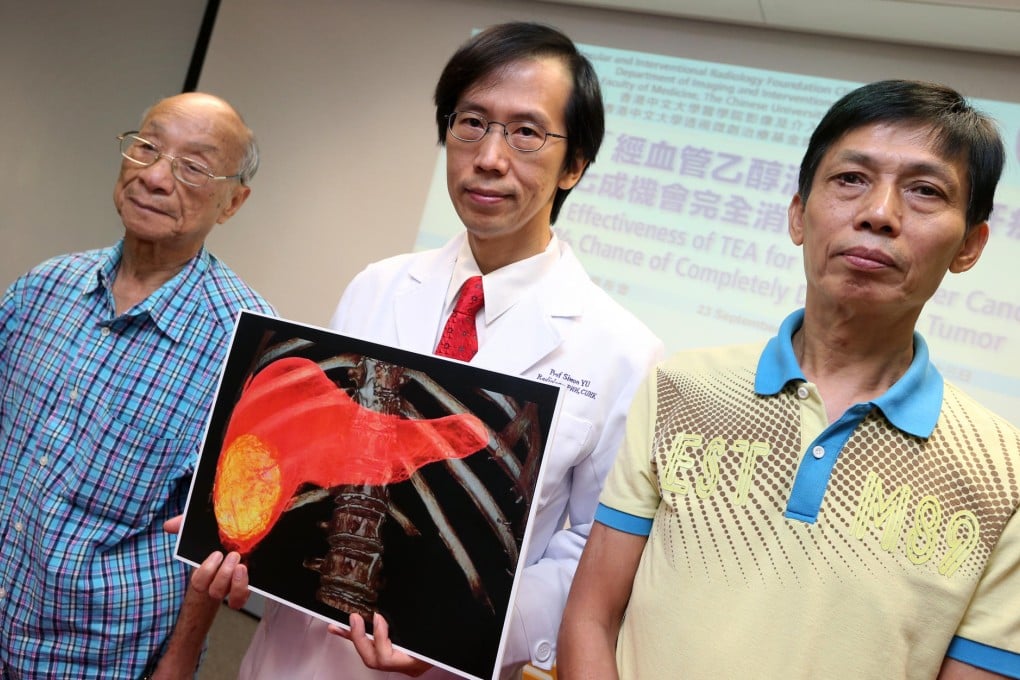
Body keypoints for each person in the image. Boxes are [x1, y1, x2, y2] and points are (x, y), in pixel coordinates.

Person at [188, 21, 662, 680]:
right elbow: (312, 449)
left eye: (526, 133)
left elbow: (590, 547)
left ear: (575, 164)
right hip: (294, 658)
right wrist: (239, 544)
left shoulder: (623, 352)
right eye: (471, 123)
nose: (489, 157)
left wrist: (461, 633)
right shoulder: (377, 286)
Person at [556, 79, 1020, 680]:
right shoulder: (680, 389)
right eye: (851, 179)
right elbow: (591, 618)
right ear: (799, 214)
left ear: (970, 246)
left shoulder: (1003, 474)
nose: (879, 214)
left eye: (925, 191)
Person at [0, 92, 274, 679]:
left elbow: (216, 537)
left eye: (193, 166)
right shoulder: (43, 286)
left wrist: (178, 662)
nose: (154, 176)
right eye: (147, 147)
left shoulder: (243, 346)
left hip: (96, 655)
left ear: (233, 202)